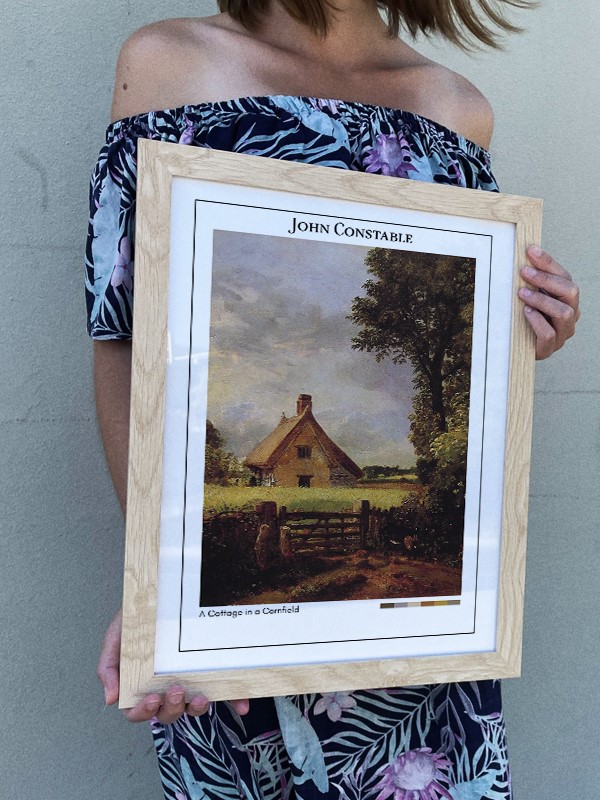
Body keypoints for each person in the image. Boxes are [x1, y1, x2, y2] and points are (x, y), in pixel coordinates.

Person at [88, 1, 580, 798]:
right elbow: (121, 338)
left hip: (426, 671)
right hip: (226, 666)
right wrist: (157, 589)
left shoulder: (456, 108)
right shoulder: (167, 65)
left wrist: (523, 331)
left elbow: (473, 335)